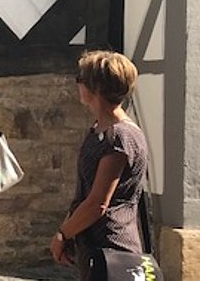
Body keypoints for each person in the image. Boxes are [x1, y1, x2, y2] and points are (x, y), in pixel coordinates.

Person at [49, 51, 147, 280]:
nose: (77, 84)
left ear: (96, 87)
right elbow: (84, 193)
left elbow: (97, 203)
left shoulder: (120, 137)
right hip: (94, 248)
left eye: (80, 79)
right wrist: (71, 228)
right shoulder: (99, 130)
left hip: (112, 248)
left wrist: (62, 235)